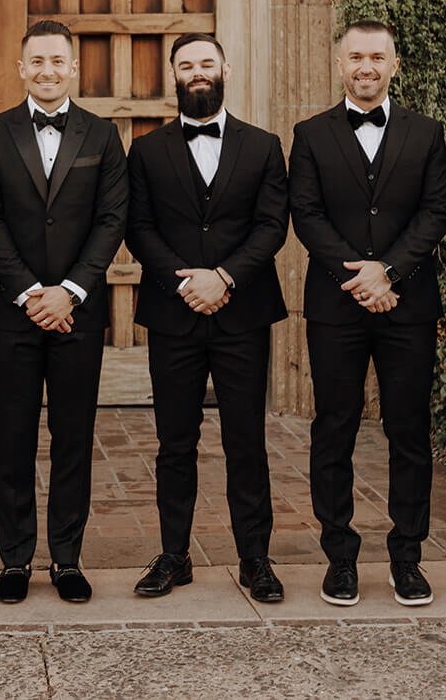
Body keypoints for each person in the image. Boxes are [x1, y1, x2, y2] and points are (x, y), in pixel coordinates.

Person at [287, 20, 446, 607]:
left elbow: (436, 212)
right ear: (340, 65)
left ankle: (408, 557)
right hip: (337, 305)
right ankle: (340, 557)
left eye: (377, 57)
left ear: (394, 64)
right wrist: (358, 276)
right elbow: (305, 214)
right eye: (356, 57)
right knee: (334, 427)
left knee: (410, 430)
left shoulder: (428, 133)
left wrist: (390, 272)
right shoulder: (310, 134)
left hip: (408, 303)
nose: (366, 67)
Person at [124, 32, 289, 604]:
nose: (198, 72)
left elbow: (272, 226)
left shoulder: (264, 145)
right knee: (175, 442)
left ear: (226, 68)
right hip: (174, 315)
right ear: (173, 75)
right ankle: (174, 555)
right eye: (186, 64)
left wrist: (224, 276)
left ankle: (256, 559)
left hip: (243, 312)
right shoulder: (145, 150)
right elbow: (138, 228)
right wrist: (185, 280)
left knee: (247, 440)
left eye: (206, 63)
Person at [0, 20, 127, 605]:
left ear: (73, 68)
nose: (47, 71)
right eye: (36, 61)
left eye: (57, 61)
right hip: (13, 312)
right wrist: (32, 291)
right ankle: (15, 559)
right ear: (20, 68)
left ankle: (66, 558)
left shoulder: (104, 135)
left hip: (78, 313)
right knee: (11, 436)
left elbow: (113, 219)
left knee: (73, 436)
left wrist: (73, 290)